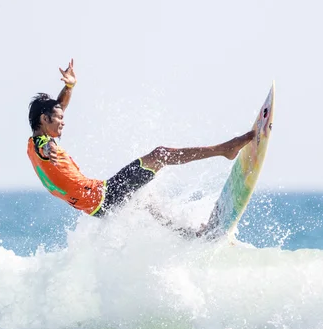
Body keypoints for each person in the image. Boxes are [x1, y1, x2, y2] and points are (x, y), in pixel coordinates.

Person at [27, 59, 255, 223]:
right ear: (44, 119)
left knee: (145, 201)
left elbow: (58, 109)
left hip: (97, 208)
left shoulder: (33, 142)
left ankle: (190, 236)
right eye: (59, 118)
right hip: (104, 195)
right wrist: (51, 150)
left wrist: (69, 87)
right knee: (159, 155)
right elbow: (47, 149)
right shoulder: (45, 145)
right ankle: (225, 149)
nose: (63, 122)